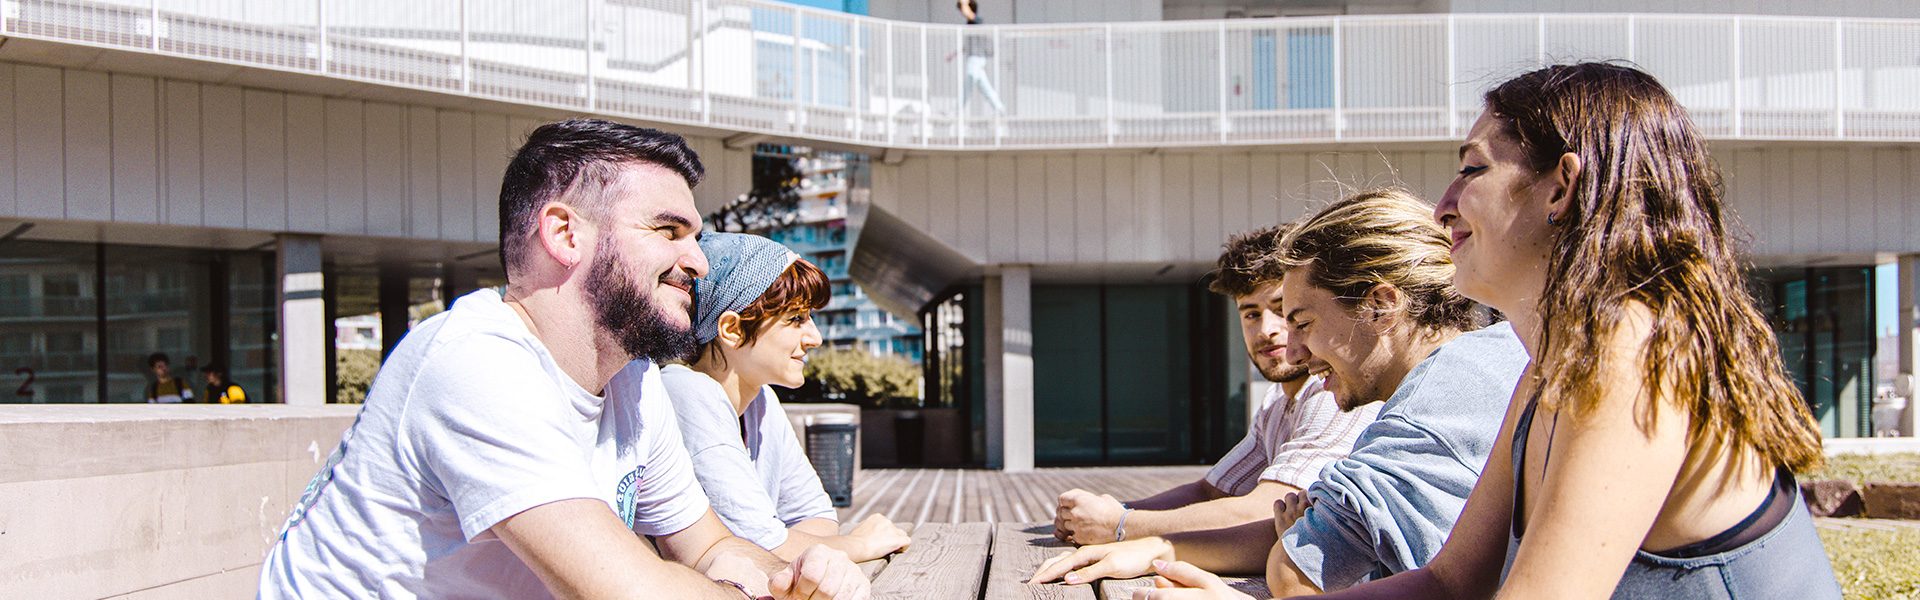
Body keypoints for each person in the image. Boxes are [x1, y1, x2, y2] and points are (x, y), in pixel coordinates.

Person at [1149, 63, 1843, 599]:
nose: (1444, 205)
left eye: (1472, 169)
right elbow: (1451, 584)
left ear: (1560, 187)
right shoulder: (1550, 363)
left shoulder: (1633, 351)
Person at [259, 119, 868, 599]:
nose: (700, 261)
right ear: (564, 233)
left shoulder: (632, 379)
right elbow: (629, 593)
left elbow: (708, 549)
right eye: (667, 230)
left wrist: (806, 578)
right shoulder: (476, 363)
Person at [1031, 190, 1527, 597]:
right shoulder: (1499, 359)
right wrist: (1161, 544)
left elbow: (1295, 571)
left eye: (1302, 322)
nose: (1296, 350)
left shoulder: (1426, 412)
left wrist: (1132, 531)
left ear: (1379, 305)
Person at [1050, 224, 1381, 546]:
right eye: (1251, 314)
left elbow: (1263, 508)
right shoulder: (1276, 400)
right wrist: (1110, 511)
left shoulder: (1332, 391)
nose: (1267, 329)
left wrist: (1119, 525)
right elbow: (1212, 490)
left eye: (1283, 311)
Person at [652, 232, 912, 563]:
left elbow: (815, 515)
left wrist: (792, 545)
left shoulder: (760, 401)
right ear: (731, 329)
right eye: (795, 319)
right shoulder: (687, 392)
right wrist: (860, 544)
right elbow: (762, 546)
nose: (815, 337)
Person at [957, 0, 1005, 115]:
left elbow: (968, 13)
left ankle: (957, 112)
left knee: (967, 87)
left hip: (976, 60)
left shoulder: (977, 21)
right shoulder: (970, 24)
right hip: (975, 60)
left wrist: (964, 3)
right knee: (985, 87)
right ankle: (1000, 109)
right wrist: (954, 54)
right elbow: (967, 45)